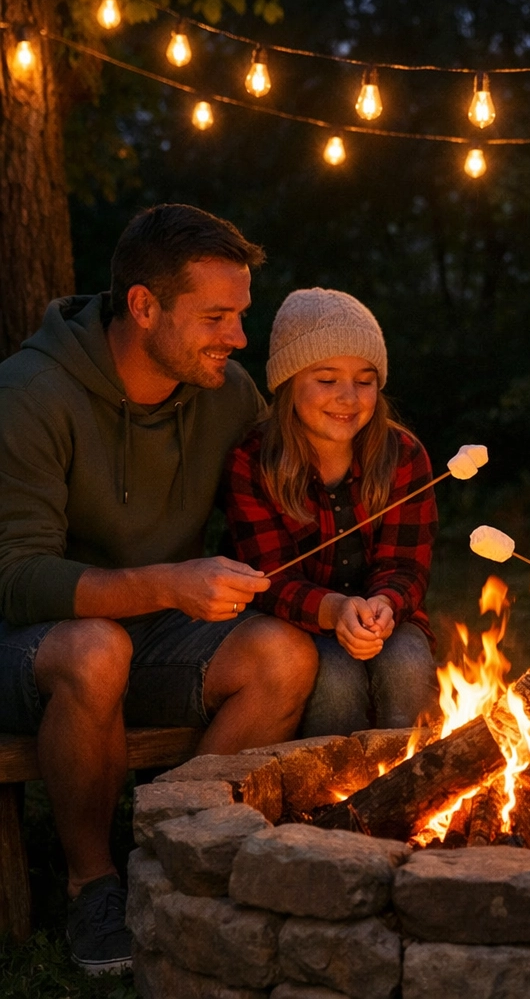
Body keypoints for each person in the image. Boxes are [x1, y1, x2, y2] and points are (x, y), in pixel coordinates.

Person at [0, 205, 319, 975]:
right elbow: (15, 579)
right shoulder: (31, 393)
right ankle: (92, 883)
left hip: (156, 636)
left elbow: (293, 494)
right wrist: (167, 584)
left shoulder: (225, 392)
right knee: (96, 650)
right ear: (143, 306)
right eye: (216, 317)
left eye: (241, 315)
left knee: (284, 658)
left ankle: (168, 848)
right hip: (33, 648)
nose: (238, 338)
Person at [223, 288, 439, 736]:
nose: (348, 397)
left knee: (409, 666)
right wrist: (334, 609)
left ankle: (421, 787)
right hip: (296, 623)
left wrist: (383, 604)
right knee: (335, 680)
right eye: (326, 379)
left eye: (365, 380)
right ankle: (328, 800)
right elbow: (267, 577)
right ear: (288, 382)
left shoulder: (402, 454)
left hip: (387, 617)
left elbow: (406, 567)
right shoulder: (255, 460)